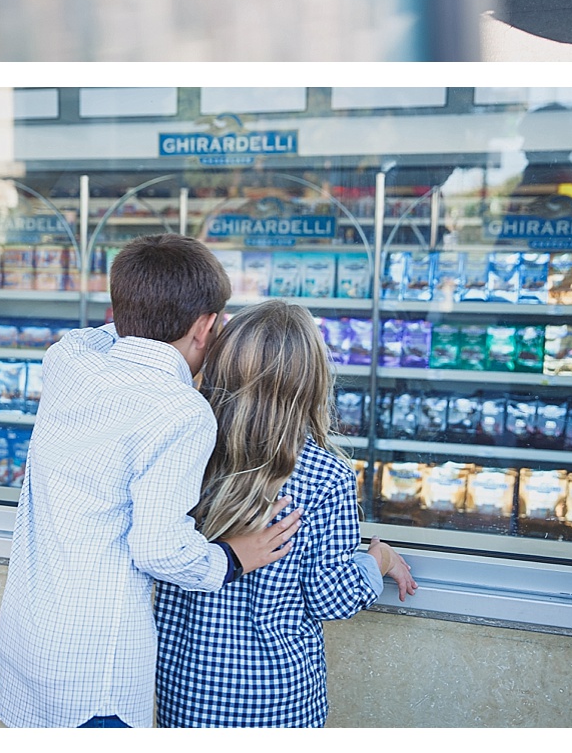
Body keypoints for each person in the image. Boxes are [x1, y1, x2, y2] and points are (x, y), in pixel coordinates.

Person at [0, 235, 302, 729]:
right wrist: (234, 557)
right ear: (206, 327)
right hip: (95, 673)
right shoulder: (180, 411)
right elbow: (159, 550)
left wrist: (141, 307)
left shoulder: (67, 360)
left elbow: (103, 333)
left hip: (29, 643)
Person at [154, 301, 416, 726]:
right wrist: (378, 559)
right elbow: (331, 597)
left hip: (186, 691)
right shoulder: (325, 474)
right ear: (312, 382)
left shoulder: (186, 453)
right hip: (279, 699)